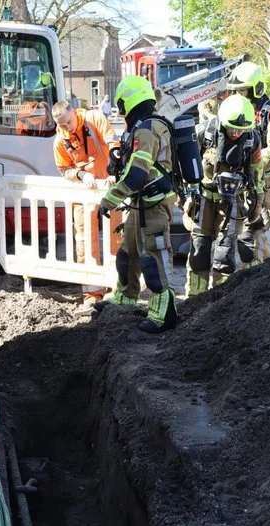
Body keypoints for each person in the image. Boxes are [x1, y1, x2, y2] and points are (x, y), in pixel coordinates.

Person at [95, 75, 178, 333]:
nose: (120, 111)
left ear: (128, 102)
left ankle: (165, 312)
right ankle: (125, 299)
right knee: (127, 255)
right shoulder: (143, 127)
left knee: (154, 259)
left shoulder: (147, 129)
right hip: (141, 204)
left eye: (121, 105)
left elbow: (137, 174)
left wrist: (109, 200)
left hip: (153, 206)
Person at [185, 94, 263, 296]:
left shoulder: (252, 140)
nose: (236, 133)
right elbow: (187, 165)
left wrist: (257, 202)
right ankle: (194, 296)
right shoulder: (205, 132)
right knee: (199, 250)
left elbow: (256, 172)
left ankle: (220, 299)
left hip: (232, 203)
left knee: (225, 253)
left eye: (241, 130)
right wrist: (183, 196)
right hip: (204, 199)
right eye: (232, 128)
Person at [51, 100, 122, 308]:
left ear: (73, 112)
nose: (66, 127)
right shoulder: (59, 141)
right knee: (84, 240)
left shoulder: (93, 119)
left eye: (68, 122)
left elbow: (112, 143)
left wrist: (113, 171)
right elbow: (64, 169)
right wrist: (81, 174)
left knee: (116, 236)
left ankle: (115, 286)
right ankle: (92, 294)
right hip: (84, 192)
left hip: (109, 186)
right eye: (61, 125)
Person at [226, 61, 270, 267]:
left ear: (255, 89)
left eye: (241, 90)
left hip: (263, 177)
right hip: (240, 177)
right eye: (235, 91)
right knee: (246, 227)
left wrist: (253, 162)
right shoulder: (237, 109)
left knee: (257, 225)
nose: (237, 95)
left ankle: (254, 271)